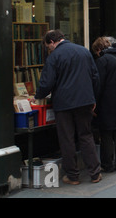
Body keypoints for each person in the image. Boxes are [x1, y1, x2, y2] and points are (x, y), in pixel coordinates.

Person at [33, 30, 101, 185]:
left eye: (48, 46)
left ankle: (72, 176)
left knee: (67, 139)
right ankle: (95, 173)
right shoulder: (84, 51)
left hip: (63, 104)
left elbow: (46, 83)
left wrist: (38, 96)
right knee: (86, 135)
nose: (49, 49)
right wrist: (93, 97)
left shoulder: (54, 57)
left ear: (52, 42)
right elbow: (95, 77)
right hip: (84, 101)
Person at [92, 37, 116, 173]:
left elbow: (98, 84)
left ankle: (108, 164)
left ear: (98, 49)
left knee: (107, 133)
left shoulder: (102, 61)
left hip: (107, 102)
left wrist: (94, 102)